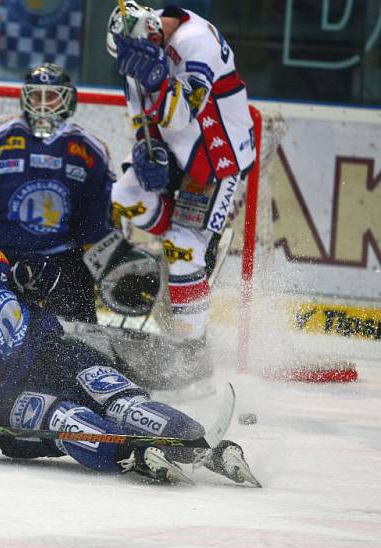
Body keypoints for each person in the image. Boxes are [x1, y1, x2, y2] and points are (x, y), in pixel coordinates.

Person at [0, 207, 258, 488]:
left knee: (121, 399)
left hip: (53, 351)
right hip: (4, 396)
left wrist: (37, 274)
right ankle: (134, 455)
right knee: (69, 419)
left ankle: (199, 446)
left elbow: (35, 276)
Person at [105, 2, 256, 344]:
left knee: (182, 250)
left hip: (216, 157)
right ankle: (196, 237)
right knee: (125, 197)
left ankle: (191, 350)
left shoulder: (196, 40)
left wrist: (157, 76)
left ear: (154, 33)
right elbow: (141, 114)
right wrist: (146, 149)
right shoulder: (138, 51)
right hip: (177, 148)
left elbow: (183, 114)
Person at [0, 62, 116, 323]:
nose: (43, 104)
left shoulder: (90, 150)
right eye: (37, 95)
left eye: (52, 96)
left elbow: (94, 224)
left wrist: (109, 261)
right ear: (25, 97)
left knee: (82, 338)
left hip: (60, 258)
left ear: (68, 101)